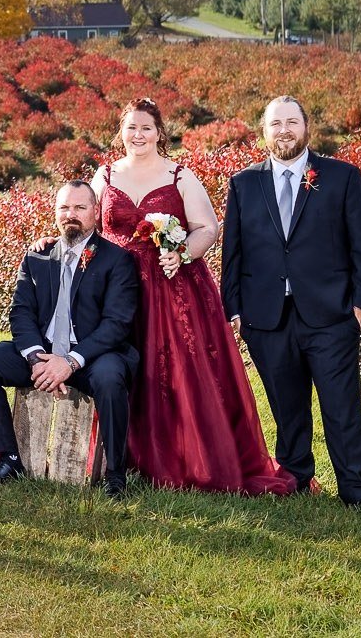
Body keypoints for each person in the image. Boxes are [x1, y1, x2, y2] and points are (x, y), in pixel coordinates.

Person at [97, 98, 297, 495]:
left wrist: (181, 252)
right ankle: (125, 454)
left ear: (160, 133)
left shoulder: (179, 176)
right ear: (121, 132)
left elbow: (207, 227)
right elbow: (86, 222)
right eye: (131, 128)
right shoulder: (103, 177)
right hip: (116, 291)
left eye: (146, 128)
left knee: (175, 372)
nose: (138, 135)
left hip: (172, 289)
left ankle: (187, 456)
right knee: (119, 367)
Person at [221, 95, 361, 506]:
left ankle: (354, 489)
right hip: (266, 317)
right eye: (276, 124)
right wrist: (235, 310)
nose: (284, 130)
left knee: (340, 407)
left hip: (331, 314)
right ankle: (294, 479)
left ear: (306, 128)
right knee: (287, 407)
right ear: (264, 131)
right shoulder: (244, 184)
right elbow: (233, 252)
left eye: (292, 122)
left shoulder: (342, 177)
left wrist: (360, 308)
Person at [0, 179, 141, 497]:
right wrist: (36, 359)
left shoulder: (118, 260)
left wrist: (70, 363)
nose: (70, 214)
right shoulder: (38, 255)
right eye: (64, 207)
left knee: (111, 378)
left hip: (92, 356)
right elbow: (21, 313)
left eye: (79, 207)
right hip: (44, 353)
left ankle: (115, 474)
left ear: (96, 211)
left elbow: (116, 324)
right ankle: (9, 458)